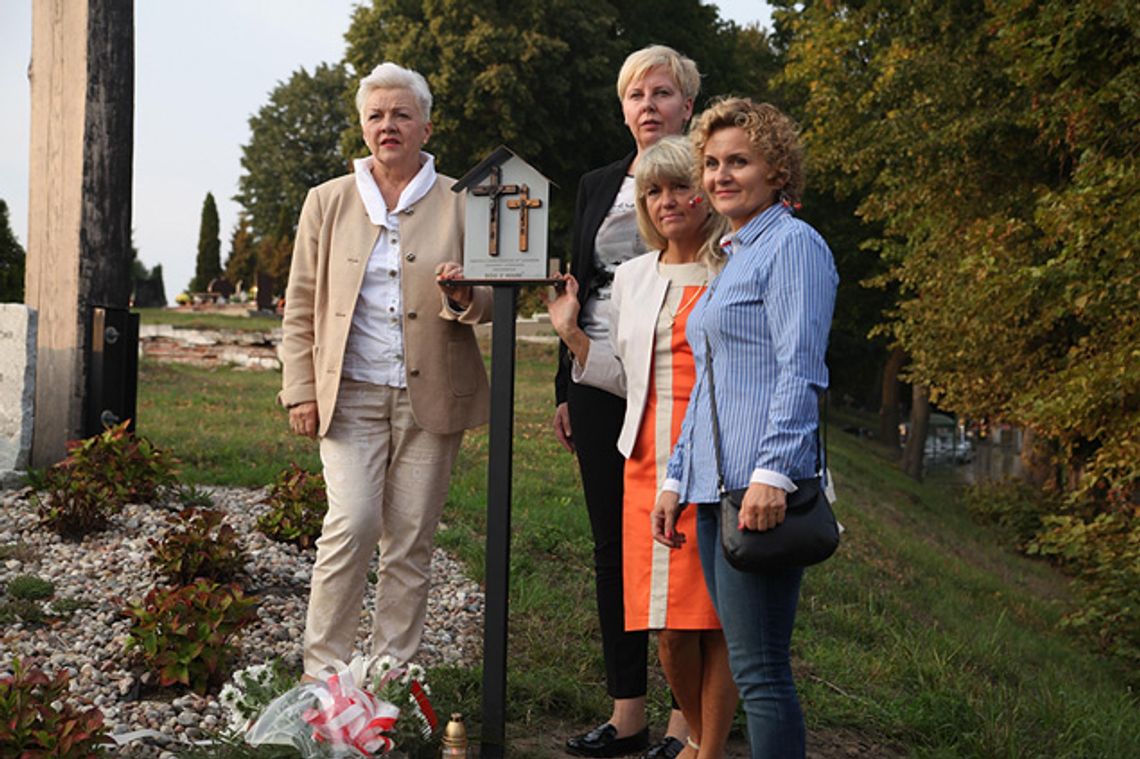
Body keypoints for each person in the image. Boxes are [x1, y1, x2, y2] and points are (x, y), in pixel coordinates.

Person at [278, 62, 492, 678]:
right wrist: (299, 389)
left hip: (432, 398)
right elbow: (300, 303)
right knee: (352, 523)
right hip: (348, 394)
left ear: (426, 124)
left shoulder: (462, 200)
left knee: (410, 538)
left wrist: (461, 296)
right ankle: (325, 677)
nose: (388, 125)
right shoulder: (327, 201)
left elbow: (489, 301)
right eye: (376, 115)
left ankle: (389, 679)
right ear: (363, 125)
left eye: (401, 114)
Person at [652, 98, 838, 758]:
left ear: (777, 170)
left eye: (739, 161)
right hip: (712, 488)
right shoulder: (735, 253)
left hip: (759, 491)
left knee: (760, 673)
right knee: (754, 665)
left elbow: (800, 370)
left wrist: (773, 474)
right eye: (711, 162)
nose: (720, 174)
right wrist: (677, 474)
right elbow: (709, 380)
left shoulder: (792, 247)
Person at [550, 136, 737, 759]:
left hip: (716, 459)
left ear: (707, 193)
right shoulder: (632, 277)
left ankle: (702, 746)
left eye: (681, 187)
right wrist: (573, 334)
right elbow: (628, 377)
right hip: (646, 461)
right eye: (652, 192)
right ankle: (693, 731)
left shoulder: (737, 265)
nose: (667, 202)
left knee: (716, 622)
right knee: (670, 629)